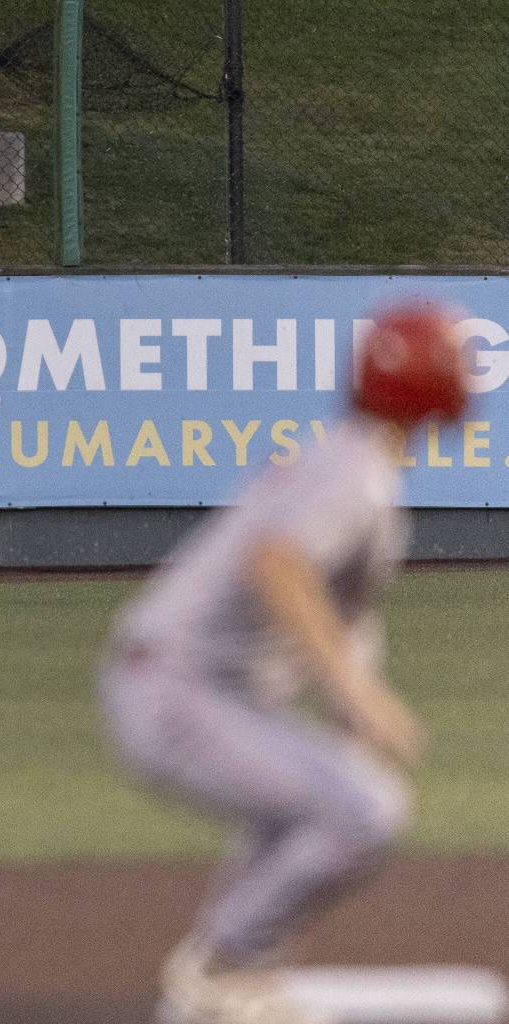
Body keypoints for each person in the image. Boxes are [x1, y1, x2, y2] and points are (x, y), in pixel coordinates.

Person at [98, 303, 469, 1024]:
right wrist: (355, 692)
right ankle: (222, 967)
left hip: (188, 686)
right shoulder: (356, 473)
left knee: (313, 814)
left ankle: (228, 972)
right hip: (179, 690)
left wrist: (344, 704)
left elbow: (340, 605)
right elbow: (278, 564)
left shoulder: (350, 460)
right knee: (364, 813)